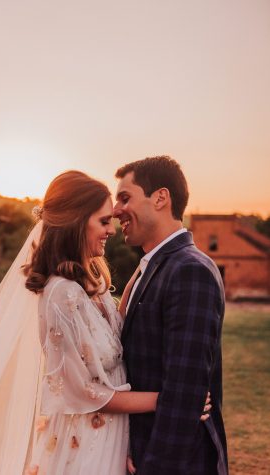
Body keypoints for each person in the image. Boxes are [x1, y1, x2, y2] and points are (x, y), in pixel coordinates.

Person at [0, 170, 210, 475]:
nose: (111, 229)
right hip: (88, 442)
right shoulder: (60, 293)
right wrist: (168, 401)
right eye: (103, 221)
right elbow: (80, 392)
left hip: (115, 435)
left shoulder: (95, 286)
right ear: (76, 222)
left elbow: (118, 340)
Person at [114, 156, 228, 475]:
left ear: (161, 198)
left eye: (125, 198)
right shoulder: (152, 267)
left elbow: (184, 390)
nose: (115, 210)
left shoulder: (190, 270)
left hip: (174, 463)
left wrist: (155, 466)